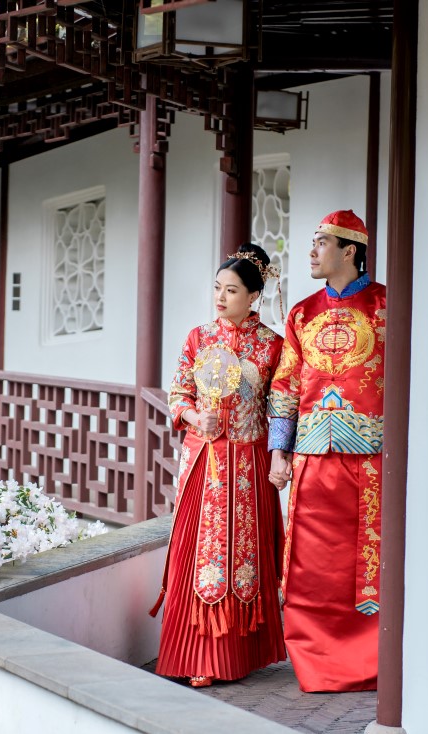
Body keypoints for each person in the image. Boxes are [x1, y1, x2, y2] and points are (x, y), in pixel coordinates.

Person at [151, 242, 287, 688]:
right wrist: (195, 416)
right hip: (205, 460)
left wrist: (277, 456)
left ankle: (240, 653)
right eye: (217, 288)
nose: (221, 297)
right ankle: (199, 655)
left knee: (244, 558)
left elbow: (282, 407)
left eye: (231, 290)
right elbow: (177, 394)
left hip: (248, 463)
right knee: (200, 553)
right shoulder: (199, 337)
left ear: (253, 296)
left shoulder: (272, 347)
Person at [267, 209, 386, 693]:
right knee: (311, 566)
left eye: (320, 243)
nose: (312, 252)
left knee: (368, 563)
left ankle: (373, 660)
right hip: (313, 459)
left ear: (349, 251)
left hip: (373, 461)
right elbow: (285, 387)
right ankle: (317, 663)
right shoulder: (301, 313)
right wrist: (279, 452)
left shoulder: (387, 306)